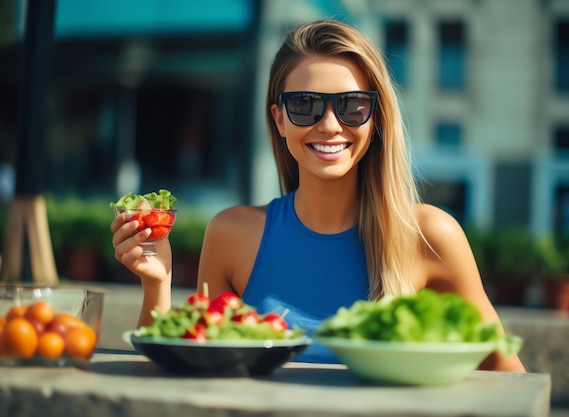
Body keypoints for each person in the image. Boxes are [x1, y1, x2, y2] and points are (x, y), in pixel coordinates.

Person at [111, 19, 526, 372]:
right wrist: (157, 286)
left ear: (376, 119)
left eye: (352, 106)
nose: (329, 125)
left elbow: (509, 380)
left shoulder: (431, 234)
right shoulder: (232, 233)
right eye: (306, 104)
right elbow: (190, 370)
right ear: (279, 119)